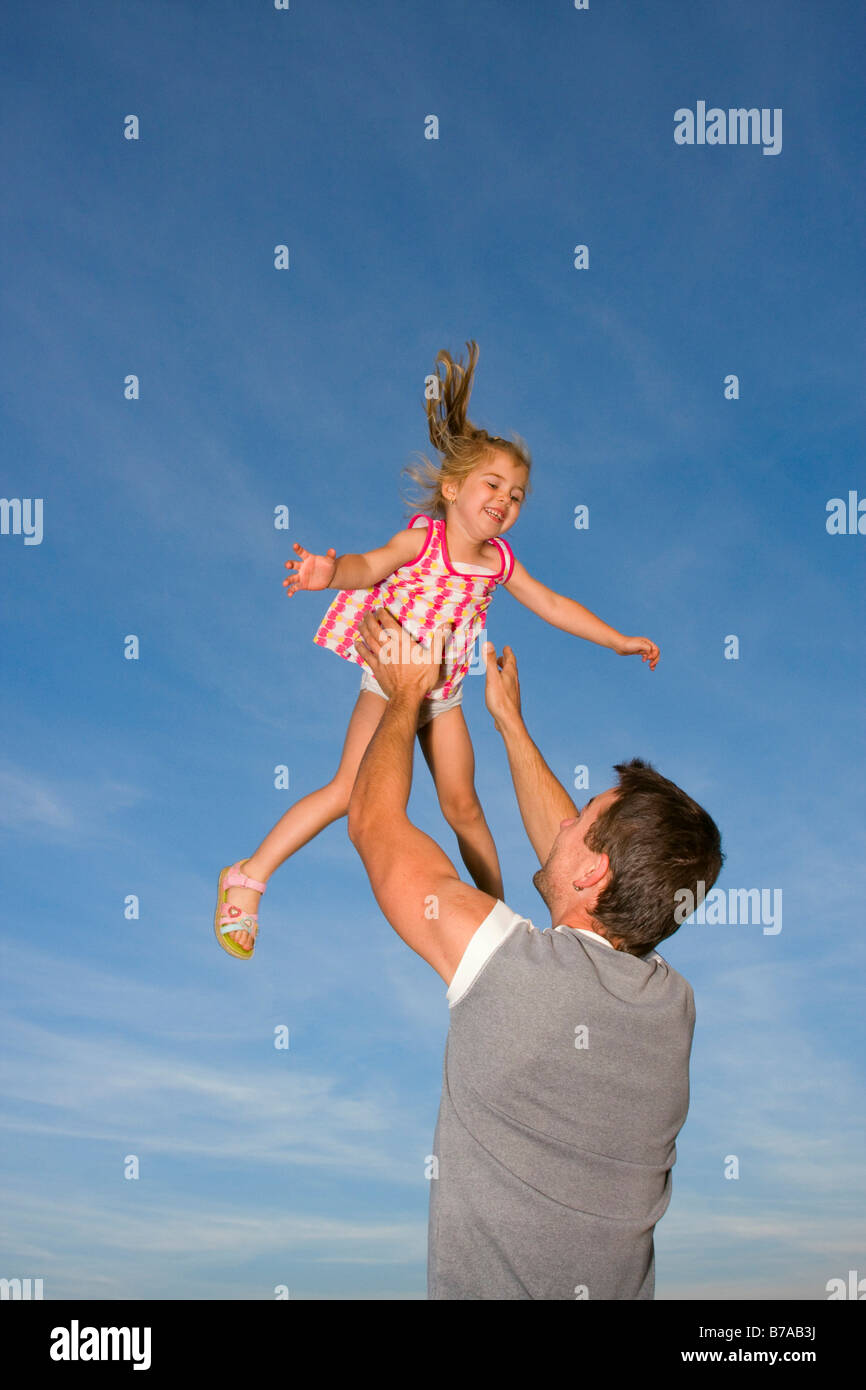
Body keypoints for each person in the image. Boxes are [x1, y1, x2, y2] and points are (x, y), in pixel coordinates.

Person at [214, 339, 659, 959]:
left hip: (442, 694)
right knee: (348, 790)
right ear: (452, 488)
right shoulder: (421, 541)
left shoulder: (499, 563)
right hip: (393, 679)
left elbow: (553, 604)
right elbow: (369, 565)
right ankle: (248, 876)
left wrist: (617, 640)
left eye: (516, 496)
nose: (504, 502)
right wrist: (328, 572)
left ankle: (500, 923)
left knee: (464, 806)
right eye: (492, 485)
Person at [347, 606, 723, 1301]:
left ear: (594, 874)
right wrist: (510, 724)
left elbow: (374, 826)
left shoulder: (514, 976)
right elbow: (578, 860)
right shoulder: (672, 1006)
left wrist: (405, 692)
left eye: (581, 818)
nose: (566, 820)